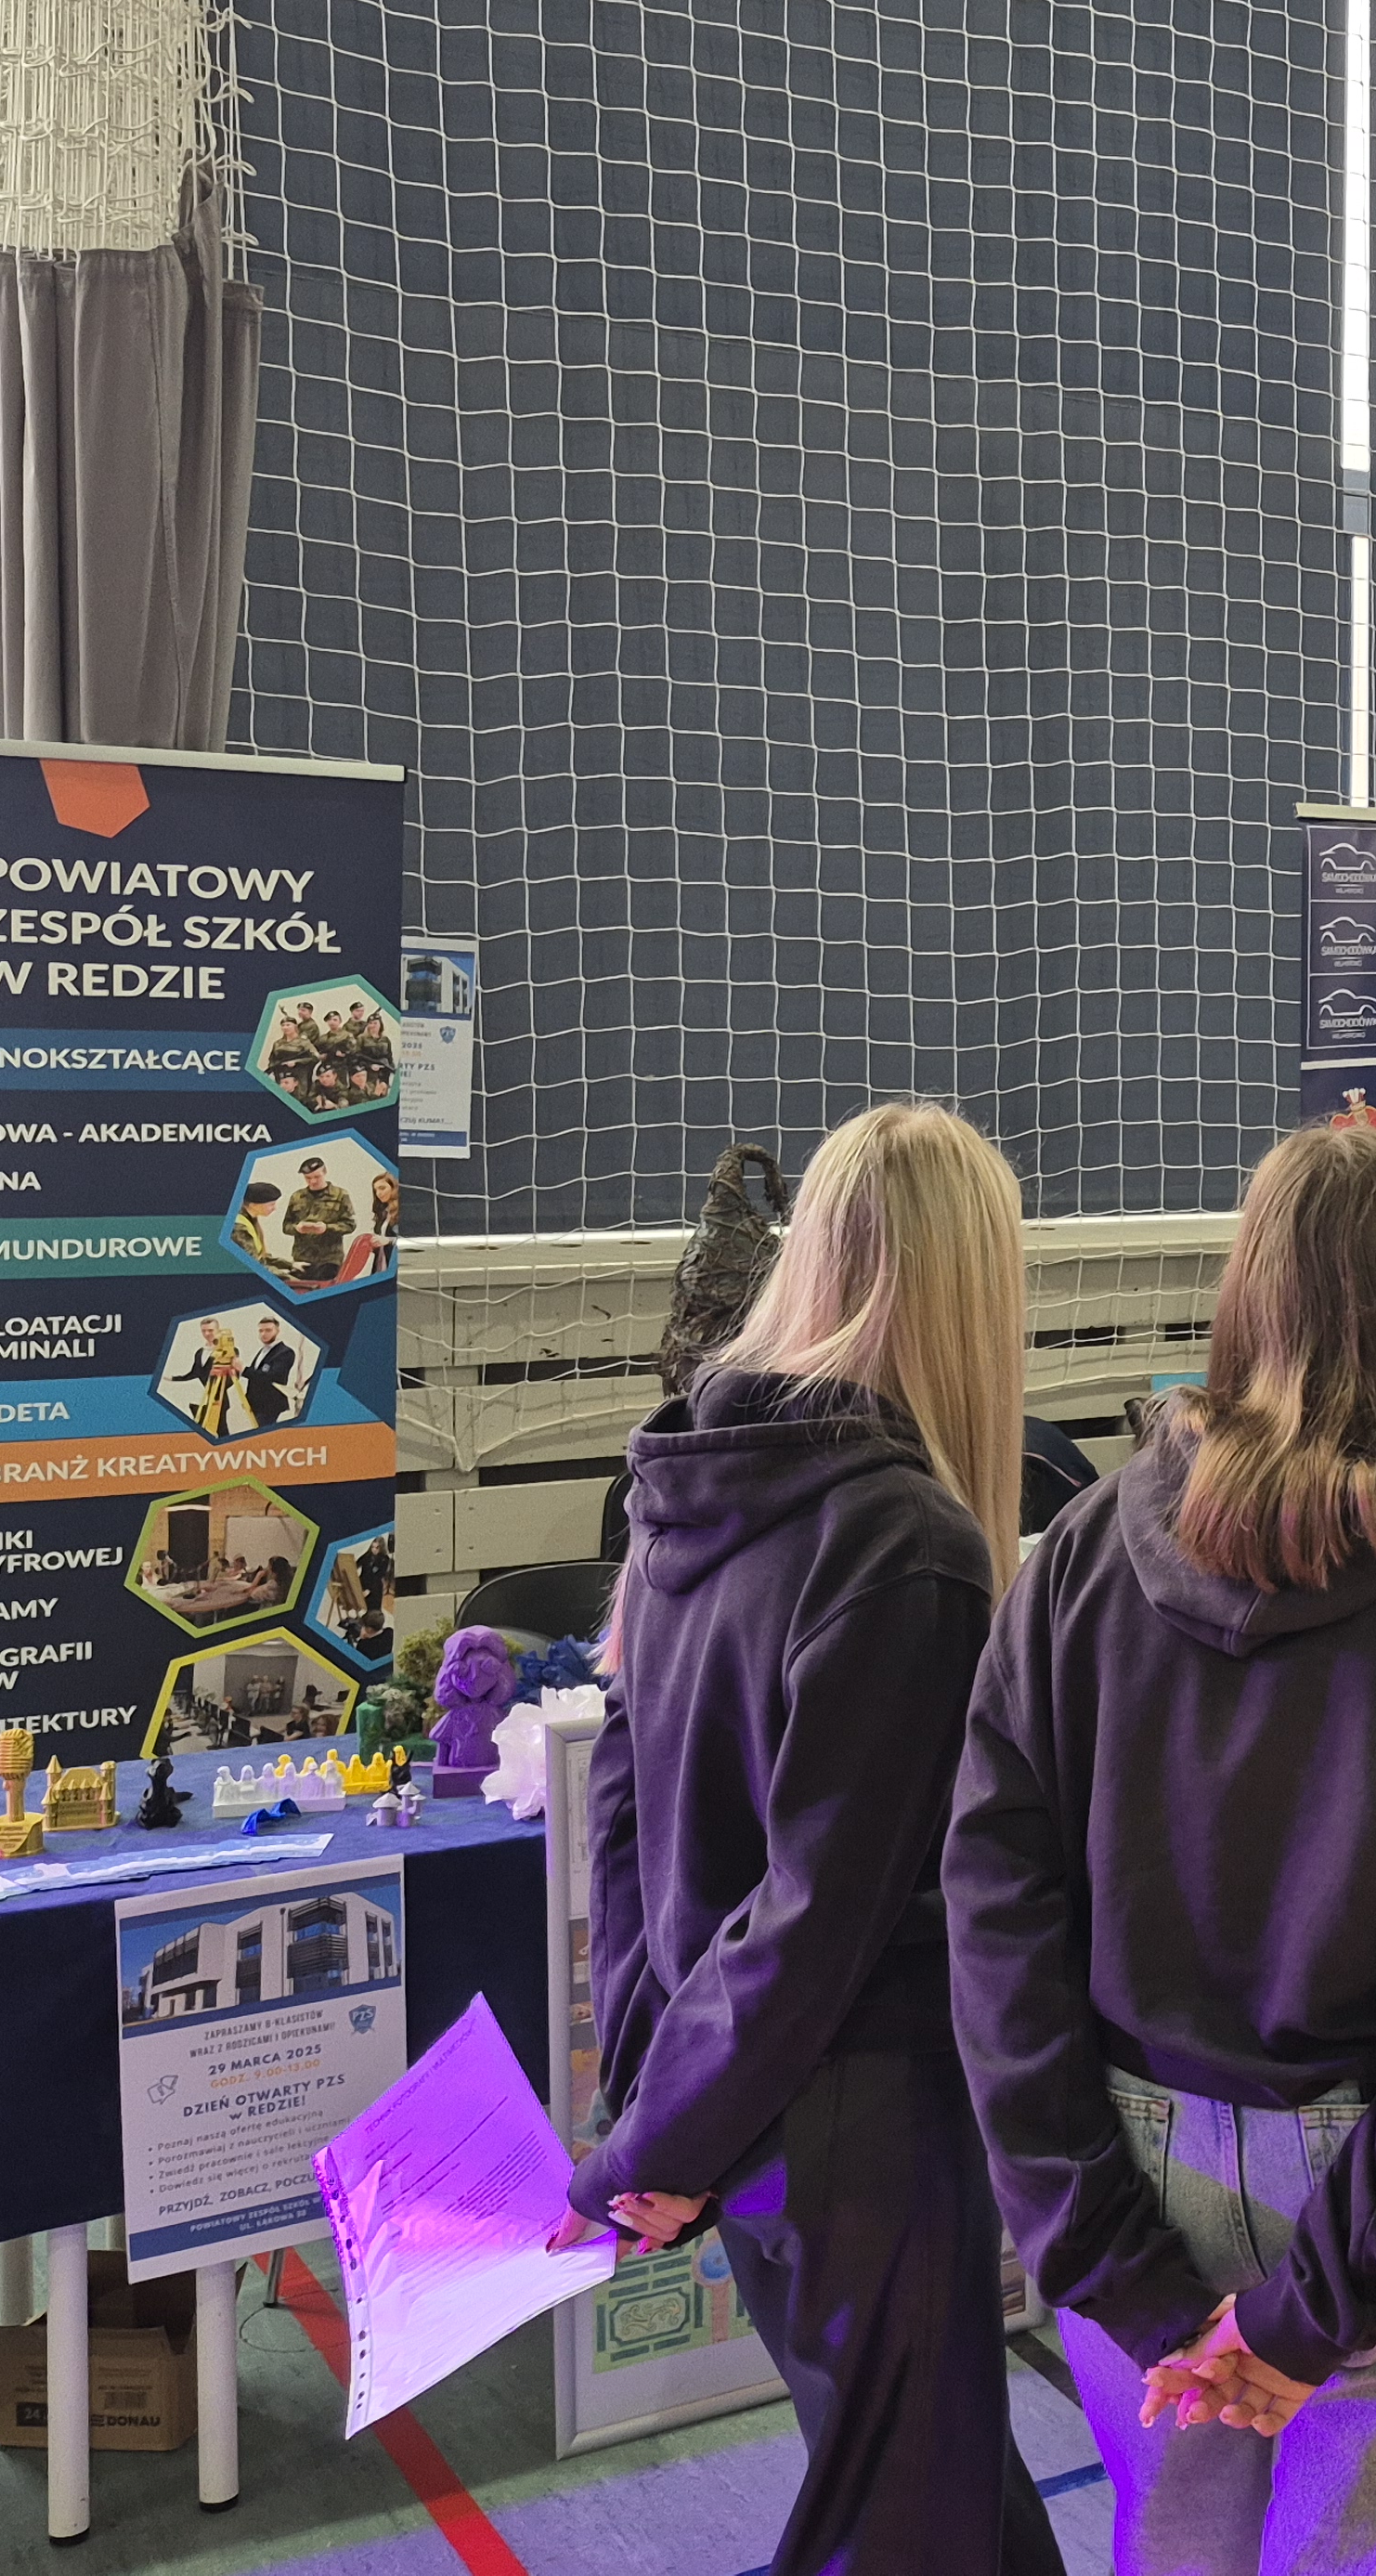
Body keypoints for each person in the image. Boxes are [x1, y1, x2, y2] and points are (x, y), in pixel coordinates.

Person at [949, 1122, 1376, 2575]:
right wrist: (1327, 2295)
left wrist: (1107, 2252)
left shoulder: (1081, 1554)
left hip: (1131, 2148)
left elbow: (998, 1921)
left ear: (1247, 1286)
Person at [561, 1100, 1062, 2576]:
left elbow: (625, 1814)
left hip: (745, 2098)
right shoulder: (908, 1544)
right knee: (911, 2518)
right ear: (971, 1287)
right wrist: (664, 2133)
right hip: (855, 2112)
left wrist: (655, 2094)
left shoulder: (690, 1476)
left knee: (936, 2489)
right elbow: (820, 1909)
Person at [283, 1156, 356, 1283]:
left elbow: (350, 1225)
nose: (312, 1181)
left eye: (317, 1177)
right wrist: (297, 1228)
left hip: (329, 1260)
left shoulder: (340, 1195)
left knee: (326, 1290)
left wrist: (327, 1228)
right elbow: (286, 1226)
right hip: (302, 1258)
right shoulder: (297, 1197)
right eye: (308, 1178)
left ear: (325, 1172)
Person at [242, 1315, 300, 1429]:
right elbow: (255, 1378)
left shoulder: (285, 1352)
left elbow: (272, 1377)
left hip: (270, 1405)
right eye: (261, 1331)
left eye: (268, 1330)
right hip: (257, 1404)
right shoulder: (262, 1351)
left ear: (277, 1331)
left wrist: (244, 1369)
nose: (264, 1334)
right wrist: (248, 1398)